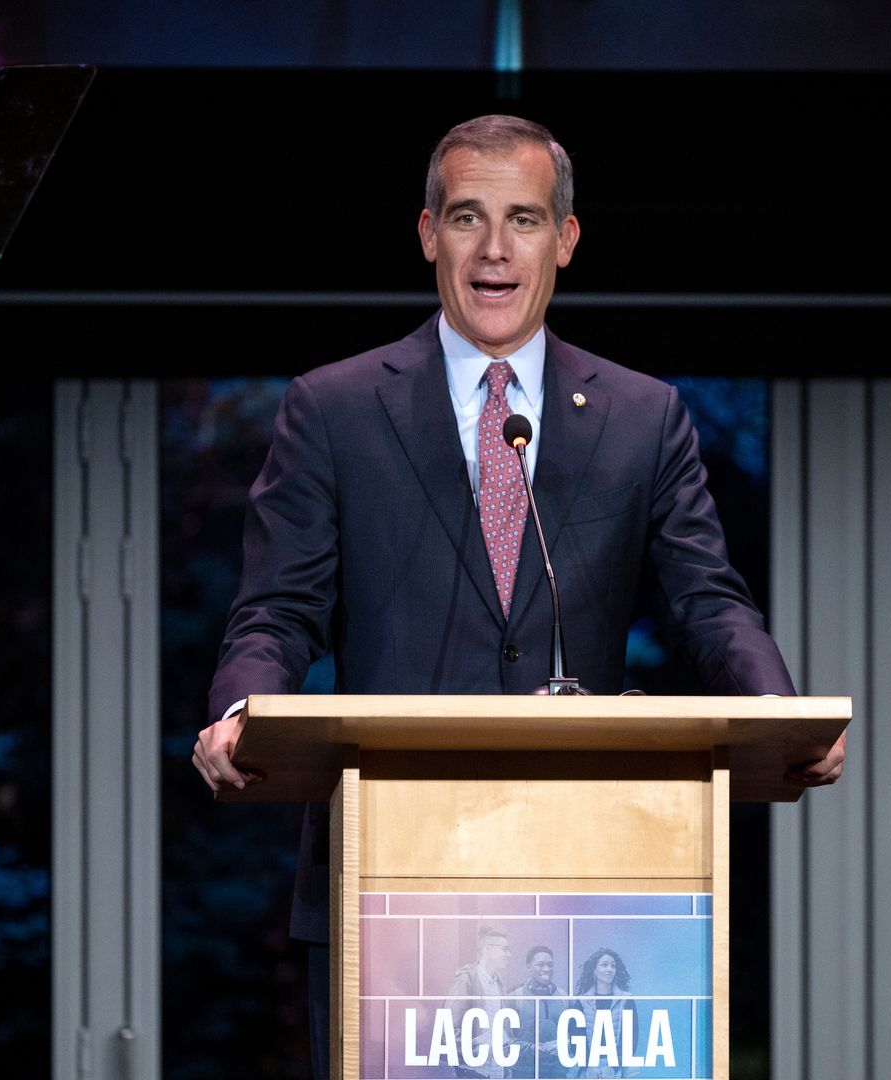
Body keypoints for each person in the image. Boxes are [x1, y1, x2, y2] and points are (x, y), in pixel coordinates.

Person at [191, 114, 847, 1080]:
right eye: (468, 217)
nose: (495, 251)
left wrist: (777, 713)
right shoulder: (331, 410)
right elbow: (277, 611)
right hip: (392, 880)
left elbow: (708, 599)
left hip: (593, 883)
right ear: (427, 233)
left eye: (525, 220)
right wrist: (241, 709)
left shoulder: (642, 415)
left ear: (566, 240)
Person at [447, 925, 515, 1078]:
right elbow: (449, 1030)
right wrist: (475, 1053)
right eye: (504, 949)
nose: (509, 955)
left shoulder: (499, 983)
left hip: (497, 1072)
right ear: (487, 949)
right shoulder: (466, 981)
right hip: (473, 1073)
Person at [570, 948, 635, 1079]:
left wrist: (613, 1066)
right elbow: (576, 1038)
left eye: (613, 966)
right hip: (588, 1070)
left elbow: (631, 1038)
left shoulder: (626, 1000)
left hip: (616, 1071)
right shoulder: (582, 1002)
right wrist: (588, 1066)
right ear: (594, 970)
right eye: (604, 965)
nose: (610, 969)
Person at [509, 945, 567, 1079]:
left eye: (550, 965)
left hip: (557, 1073)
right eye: (540, 965)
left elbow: (573, 1036)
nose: (546, 969)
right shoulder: (514, 998)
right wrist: (530, 1049)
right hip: (523, 1073)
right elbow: (505, 1040)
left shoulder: (564, 998)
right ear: (529, 967)